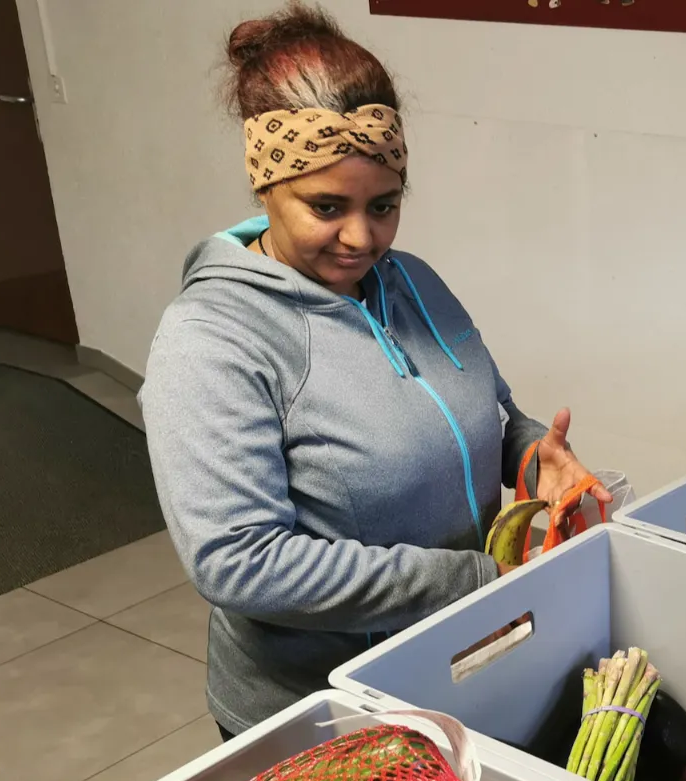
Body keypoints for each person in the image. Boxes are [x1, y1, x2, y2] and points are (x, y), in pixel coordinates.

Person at [139, 2, 611, 742]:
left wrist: (530, 456)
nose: (362, 237)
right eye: (326, 206)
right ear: (264, 186)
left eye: (384, 206)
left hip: (457, 662)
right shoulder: (210, 340)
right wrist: (476, 582)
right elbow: (241, 564)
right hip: (324, 717)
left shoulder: (412, 280)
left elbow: (487, 410)